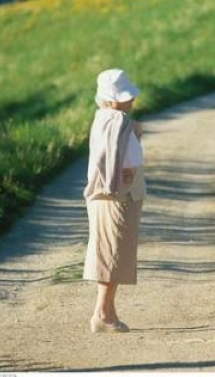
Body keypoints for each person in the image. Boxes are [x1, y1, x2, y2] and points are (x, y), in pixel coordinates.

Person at [82, 68, 147, 333]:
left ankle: (107, 310)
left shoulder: (112, 118)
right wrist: (119, 180)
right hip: (117, 194)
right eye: (126, 96)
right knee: (112, 253)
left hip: (119, 193)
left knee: (114, 252)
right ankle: (103, 314)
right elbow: (110, 157)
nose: (132, 100)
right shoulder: (115, 119)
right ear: (112, 98)